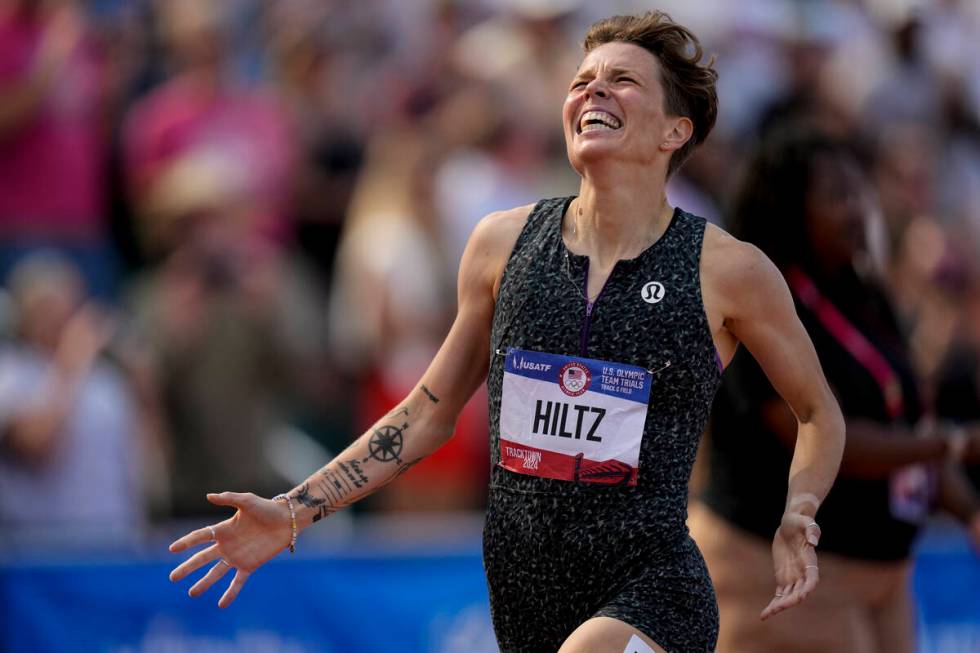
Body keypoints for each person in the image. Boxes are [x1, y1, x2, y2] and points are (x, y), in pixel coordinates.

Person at [169, 13, 845, 652]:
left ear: (674, 131)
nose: (593, 90)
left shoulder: (727, 268)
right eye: (582, 81)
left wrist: (800, 510)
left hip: (654, 588)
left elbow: (818, 412)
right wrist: (295, 509)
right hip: (524, 599)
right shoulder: (502, 243)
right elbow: (427, 414)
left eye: (622, 80)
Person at [689, 125, 980, 653]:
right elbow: (825, 438)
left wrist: (969, 511)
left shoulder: (862, 289)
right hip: (779, 571)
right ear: (790, 208)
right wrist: (952, 444)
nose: (856, 209)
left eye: (858, 192)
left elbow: (908, 429)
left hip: (883, 575)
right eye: (837, 195)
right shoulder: (753, 300)